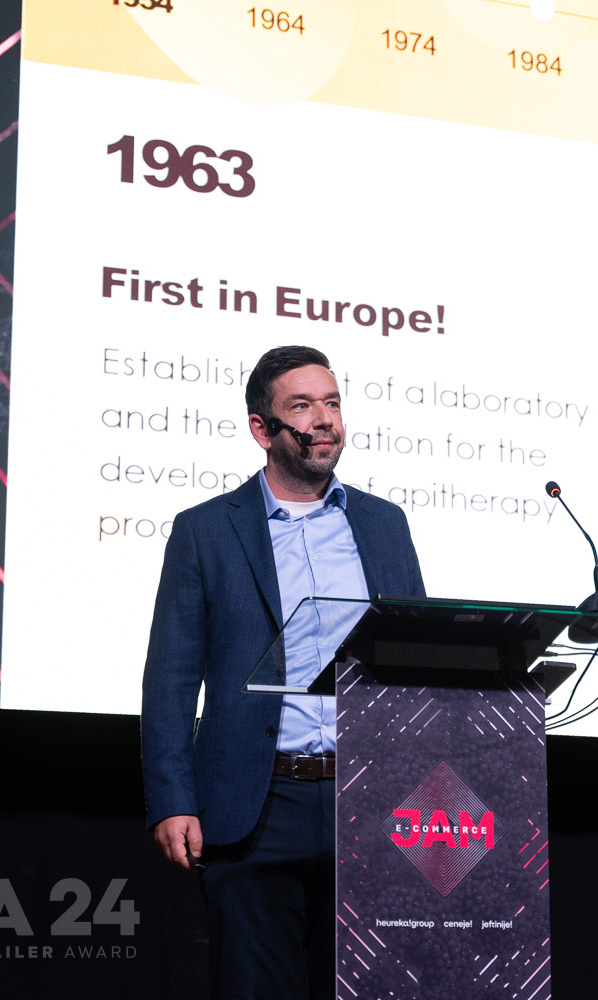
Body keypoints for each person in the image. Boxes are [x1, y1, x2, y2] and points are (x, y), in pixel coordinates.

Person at [141, 345, 426, 998]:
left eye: (332, 403)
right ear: (261, 428)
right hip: (258, 801)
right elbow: (171, 678)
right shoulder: (207, 530)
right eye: (302, 406)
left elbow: (414, 664)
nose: (324, 420)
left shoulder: (385, 525)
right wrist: (172, 799)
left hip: (369, 801)